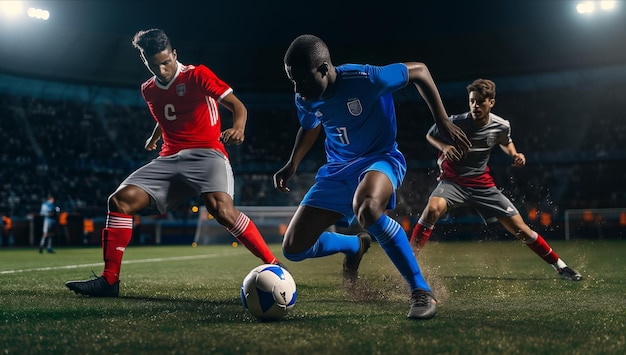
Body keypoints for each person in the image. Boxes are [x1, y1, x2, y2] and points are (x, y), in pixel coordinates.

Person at [66, 28, 284, 297]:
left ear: (175, 54)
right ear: (145, 62)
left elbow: (238, 106)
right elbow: (167, 114)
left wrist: (238, 128)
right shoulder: (148, 90)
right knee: (119, 201)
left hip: (207, 153)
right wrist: (154, 136)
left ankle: (275, 265)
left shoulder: (197, 75)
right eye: (154, 64)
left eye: (166, 62)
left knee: (222, 211)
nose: (163, 69)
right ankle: (110, 281)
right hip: (170, 157)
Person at [273, 34, 471, 320]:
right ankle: (356, 245)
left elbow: (420, 71)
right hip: (337, 170)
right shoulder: (304, 96)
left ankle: (420, 291)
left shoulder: (366, 78)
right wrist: (293, 163)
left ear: (325, 69)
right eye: (292, 79)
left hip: (380, 159)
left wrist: (442, 121)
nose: (297, 87)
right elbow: (310, 123)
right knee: (293, 248)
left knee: (367, 209)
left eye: (301, 79)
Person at [409, 78, 583, 281]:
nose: (475, 106)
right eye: (472, 101)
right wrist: (445, 147)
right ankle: (409, 264)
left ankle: (560, 266)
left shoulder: (501, 126)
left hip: (482, 184)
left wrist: (515, 154)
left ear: (491, 102)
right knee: (432, 208)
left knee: (521, 229)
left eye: (480, 102)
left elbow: (506, 141)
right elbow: (430, 135)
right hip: (453, 181)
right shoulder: (455, 122)